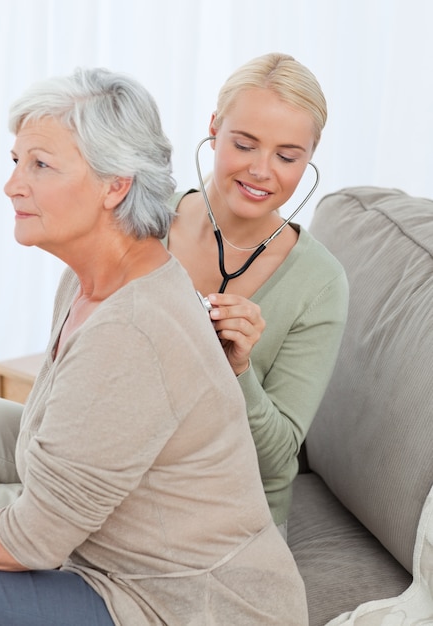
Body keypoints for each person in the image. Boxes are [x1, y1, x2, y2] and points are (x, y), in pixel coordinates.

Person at [0, 68, 309, 625]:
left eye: (41, 165)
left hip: (190, 608)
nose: (13, 185)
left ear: (115, 185)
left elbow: (30, 540)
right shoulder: (94, 280)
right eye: (17, 161)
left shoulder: (132, 329)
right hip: (117, 564)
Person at [165, 53, 349, 538]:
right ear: (213, 127)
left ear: (310, 156)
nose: (262, 170)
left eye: (287, 156)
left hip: (228, 508)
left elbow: (275, 455)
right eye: (245, 144)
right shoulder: (143, 221)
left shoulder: (320, 283)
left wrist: (238, 370)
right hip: (121, 465)